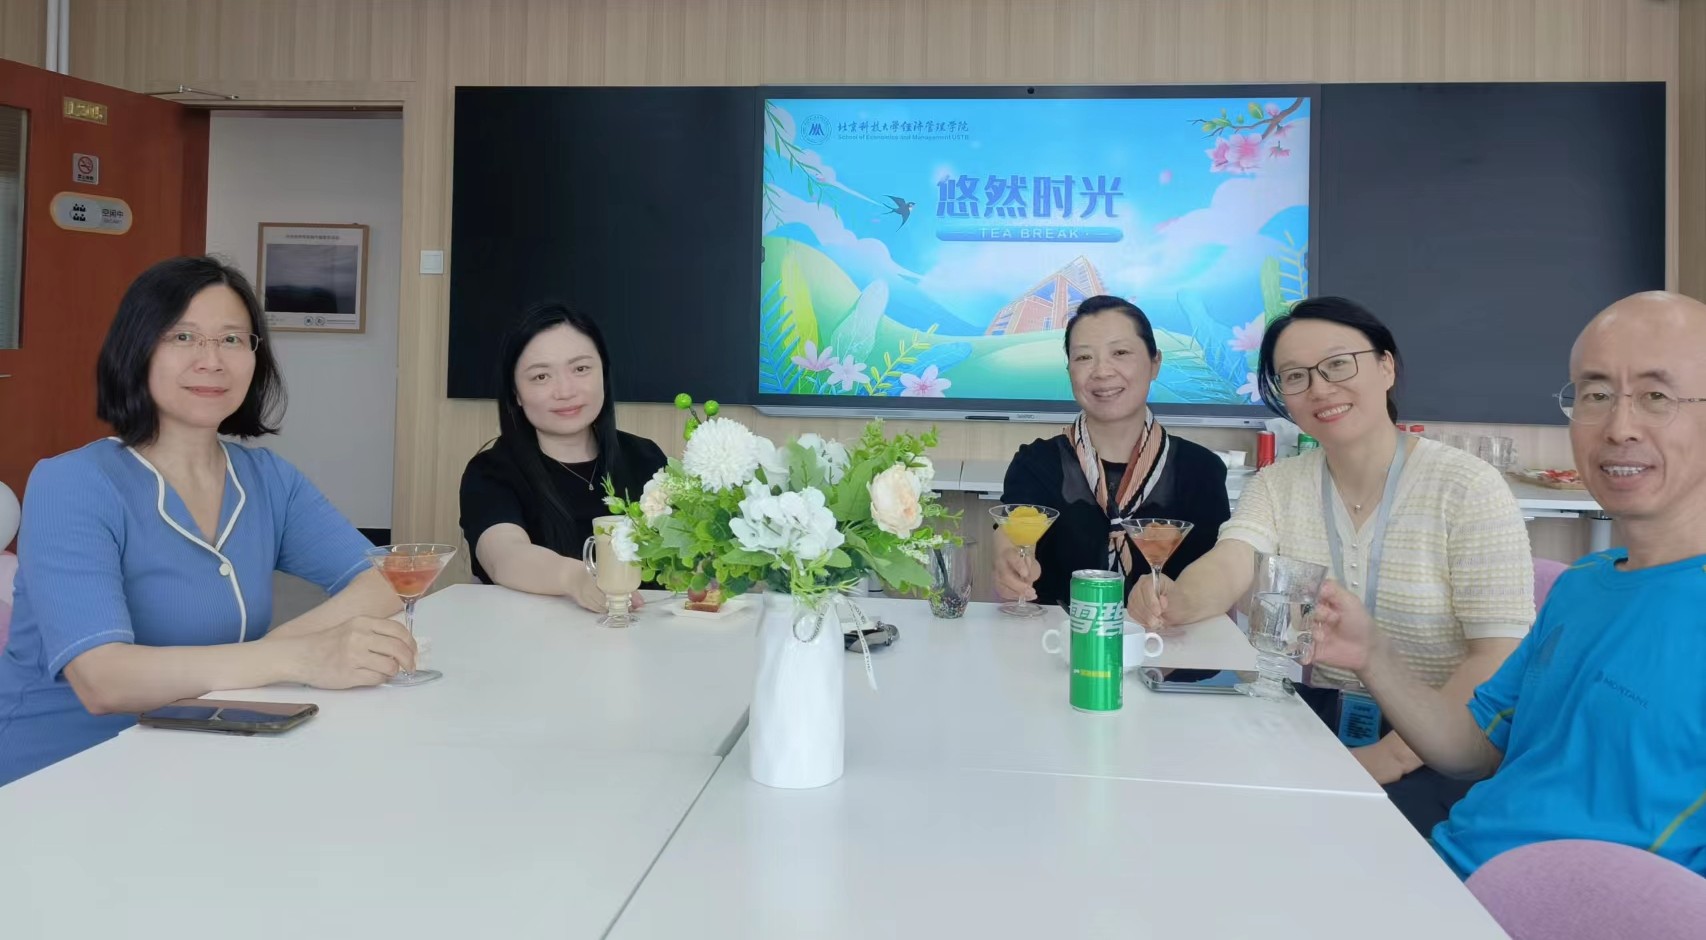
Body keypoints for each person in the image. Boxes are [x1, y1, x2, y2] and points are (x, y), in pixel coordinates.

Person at [1309, 290, 1706, 879]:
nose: (1620, 427)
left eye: (1657, 396)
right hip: (1445, 872)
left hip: (1555, 911)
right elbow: (1473, 751)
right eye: (1596, 395)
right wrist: (1373, 655)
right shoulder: (1583, 584)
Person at [0, 257, 411, 786]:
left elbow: (388, 578)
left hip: (201, 758)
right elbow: (103, 680)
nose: (211, 360)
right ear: (137, 350)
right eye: (183, 337)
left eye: (232, 339)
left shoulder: (267, 479)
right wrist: (297, 657)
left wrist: (277, 652)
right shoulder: (74, 482)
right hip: (58, 777)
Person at [1131, 296, 1534, 834]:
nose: (1319, 389)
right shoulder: (1280, 483)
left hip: (1440, 752)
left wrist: (1393, 756)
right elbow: (1233, 560)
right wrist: (1175, 599)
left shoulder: (1467, 488)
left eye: (1338, 365)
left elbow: (1498, 655)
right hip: (1315, 719)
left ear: (1386, 366)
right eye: (1295, 376)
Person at [994, 295, 1231, 613]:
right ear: (1069, 370)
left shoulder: (1201, 469)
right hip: (1058, 639)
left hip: (1167, 638)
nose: (1102, 371)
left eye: (1120, 353)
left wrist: (1182, 602)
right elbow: (1013, 533)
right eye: (1084, 357)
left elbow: (1217, 572)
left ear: (1155, 363)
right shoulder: (1037, 463)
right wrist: (1010, 563)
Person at [459, 303, 667, 611]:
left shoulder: (645, 457)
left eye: (580, 369)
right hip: (530, 638)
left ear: (604, 373)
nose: (565, 391)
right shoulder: (491, 472)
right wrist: (576, 578)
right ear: (516, 393)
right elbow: (505, 555)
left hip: (642, 632)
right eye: (541, 376)